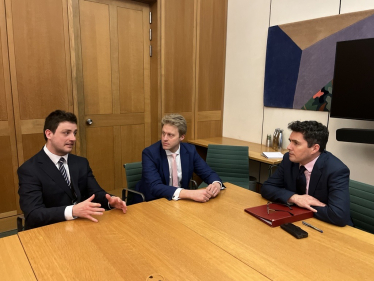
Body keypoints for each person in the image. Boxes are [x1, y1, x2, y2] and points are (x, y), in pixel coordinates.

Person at [18, 110, 127, 229]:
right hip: (49, 231)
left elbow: (95, 192)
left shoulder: (81, 162)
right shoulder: (29, 169)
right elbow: (33, 214)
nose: (73, 138)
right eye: (66, 133)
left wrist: (110, 202)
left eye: (74, 133)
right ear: (49, 134)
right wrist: (73, 211)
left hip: (81, 226)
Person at [261, 121, 353, 227]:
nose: (289, 147)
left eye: (296, 143)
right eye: (290, 141)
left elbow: (338, 215)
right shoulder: (288, 159)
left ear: (315, 148)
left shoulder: (336, 170)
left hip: (329, 227)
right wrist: (295, 198)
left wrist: (303, 204)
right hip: (299, 220)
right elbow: (267, 187)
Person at [135, 114, 224, 203]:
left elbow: (208, 173)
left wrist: (216, 184)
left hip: (180, 202)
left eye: (170, 135)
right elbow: (155, 187)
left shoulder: (190, 151)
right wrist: (190, 193)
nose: (164, 138)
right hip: (154, 201)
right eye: (163, 133)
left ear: (182, 137)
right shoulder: (150, 153)